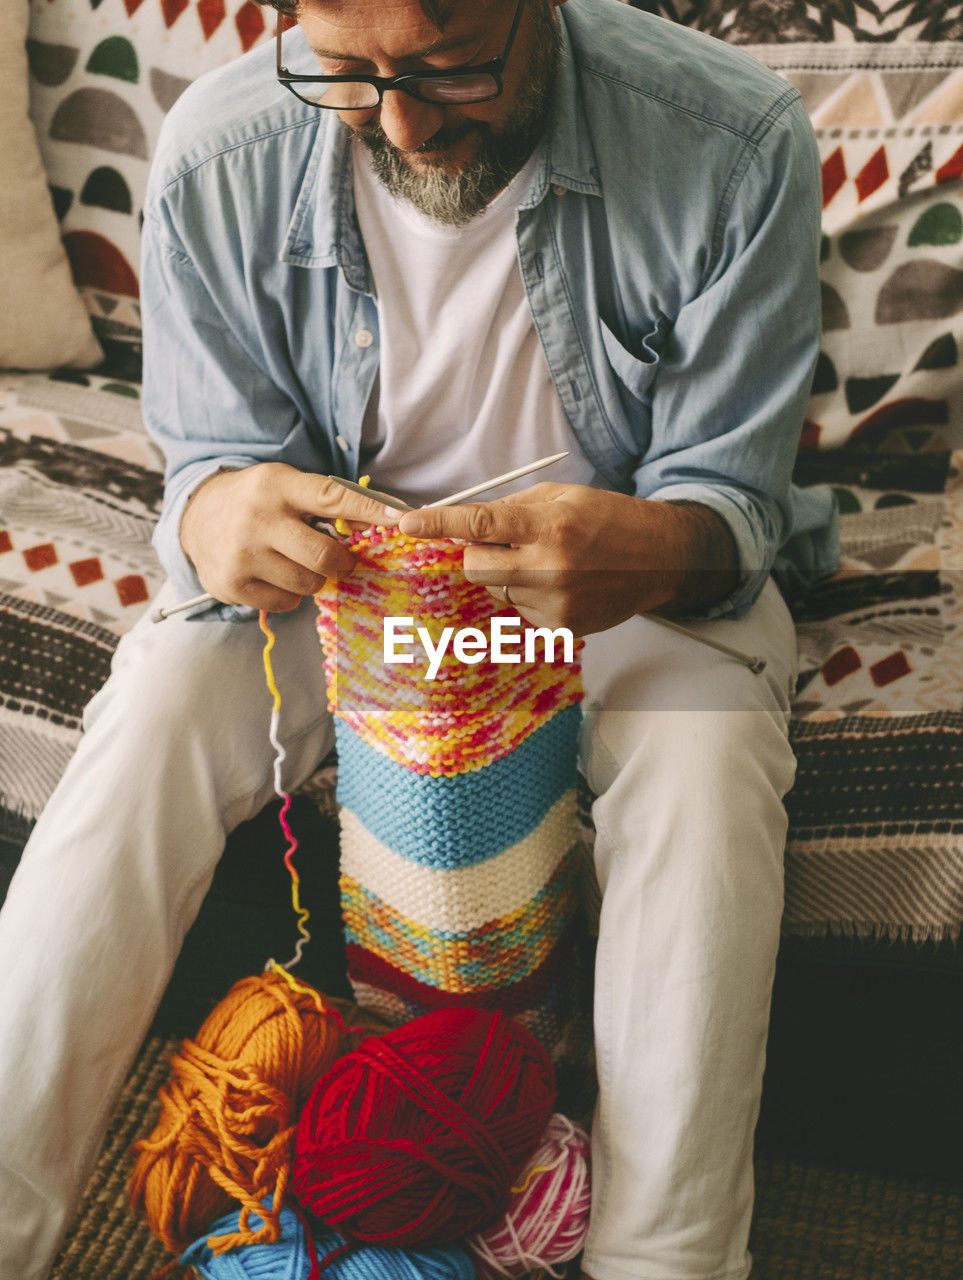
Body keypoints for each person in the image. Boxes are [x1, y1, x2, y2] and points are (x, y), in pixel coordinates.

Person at [0, 0, 838, 1276]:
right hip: (345, 595)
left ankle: (664, 1260)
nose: (395, 118)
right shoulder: (221, 149)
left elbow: (738, 505)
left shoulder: (731, 136)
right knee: (159, 703)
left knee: (708, 772)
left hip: (627, 594)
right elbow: (209, 467)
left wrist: (658, 542)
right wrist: (222, 508)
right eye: (343, 69)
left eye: (449, 66)